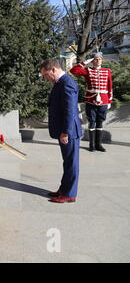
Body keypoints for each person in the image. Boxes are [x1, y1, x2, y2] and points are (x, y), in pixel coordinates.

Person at [40, 59, 83, 203]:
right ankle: (64, 189)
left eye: (46, 75)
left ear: (53, 69)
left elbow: (70, 111)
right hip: (64, 130)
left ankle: (70, 194)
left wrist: (66, 132)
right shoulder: (60, 83)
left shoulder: (67, 83)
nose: (46, 78)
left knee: (71, 163)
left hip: (69, 131)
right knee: (67, 162)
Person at [70, 52, 113, 152]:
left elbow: (110, 86)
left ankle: (99, 144)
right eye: (95, 59)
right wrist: (86, 61)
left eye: (99, 59)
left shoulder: (107, 71)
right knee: (92, 122)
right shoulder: (88, 71)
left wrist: (109, 100)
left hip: (103, 100)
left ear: (102, 60)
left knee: (100, 122)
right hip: (91, 99)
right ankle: (92, 145)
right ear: (93, 61)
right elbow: (73, 70)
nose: (97, 61)